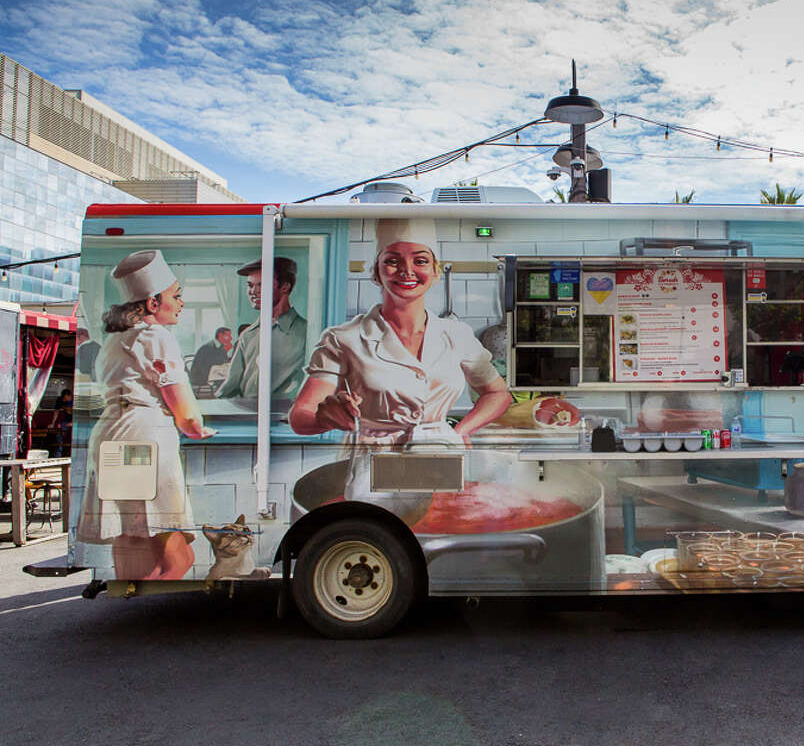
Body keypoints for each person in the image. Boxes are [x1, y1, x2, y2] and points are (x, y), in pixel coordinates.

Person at [289, 219, 511, 512]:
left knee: (439, 532)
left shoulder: (456, 335)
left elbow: (498, 394)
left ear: (434, 272)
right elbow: (300, 416)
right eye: (392, 261)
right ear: (376, 272)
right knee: (381, 533)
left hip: (439, 456)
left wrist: (460, 431)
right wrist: (325, 414)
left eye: (420, 260)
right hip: (376, 465)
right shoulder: (344, 338)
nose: (407, 270)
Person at [76, 250, 216, 580]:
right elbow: (188, 416)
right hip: (142, 438)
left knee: (131, 540)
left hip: (111, 435)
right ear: (153, 303)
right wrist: (199, 429)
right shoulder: (156, 337)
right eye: (176, 297)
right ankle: (156, 616)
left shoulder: (113, 340)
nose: (181, 303)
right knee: (177, 556)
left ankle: (132, 602)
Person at [218, 257, 307, 399]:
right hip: (247, 417)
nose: (253, 292)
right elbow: (231, 386)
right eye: (250, 285)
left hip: (286, 417)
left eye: (261, 285)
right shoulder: (248, 335)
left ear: (285, 287)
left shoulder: (306, 332)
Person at [44, 388, 73, 457]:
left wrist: (73, 423)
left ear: (70, 396)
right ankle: (57, 455)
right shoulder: (60, 400)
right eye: (63, 398)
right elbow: (56, 412)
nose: (64, 400)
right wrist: (53, 423)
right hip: (66, 421)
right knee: (59, 433)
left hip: (76, 421)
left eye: (66, 398)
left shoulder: (75, 401)